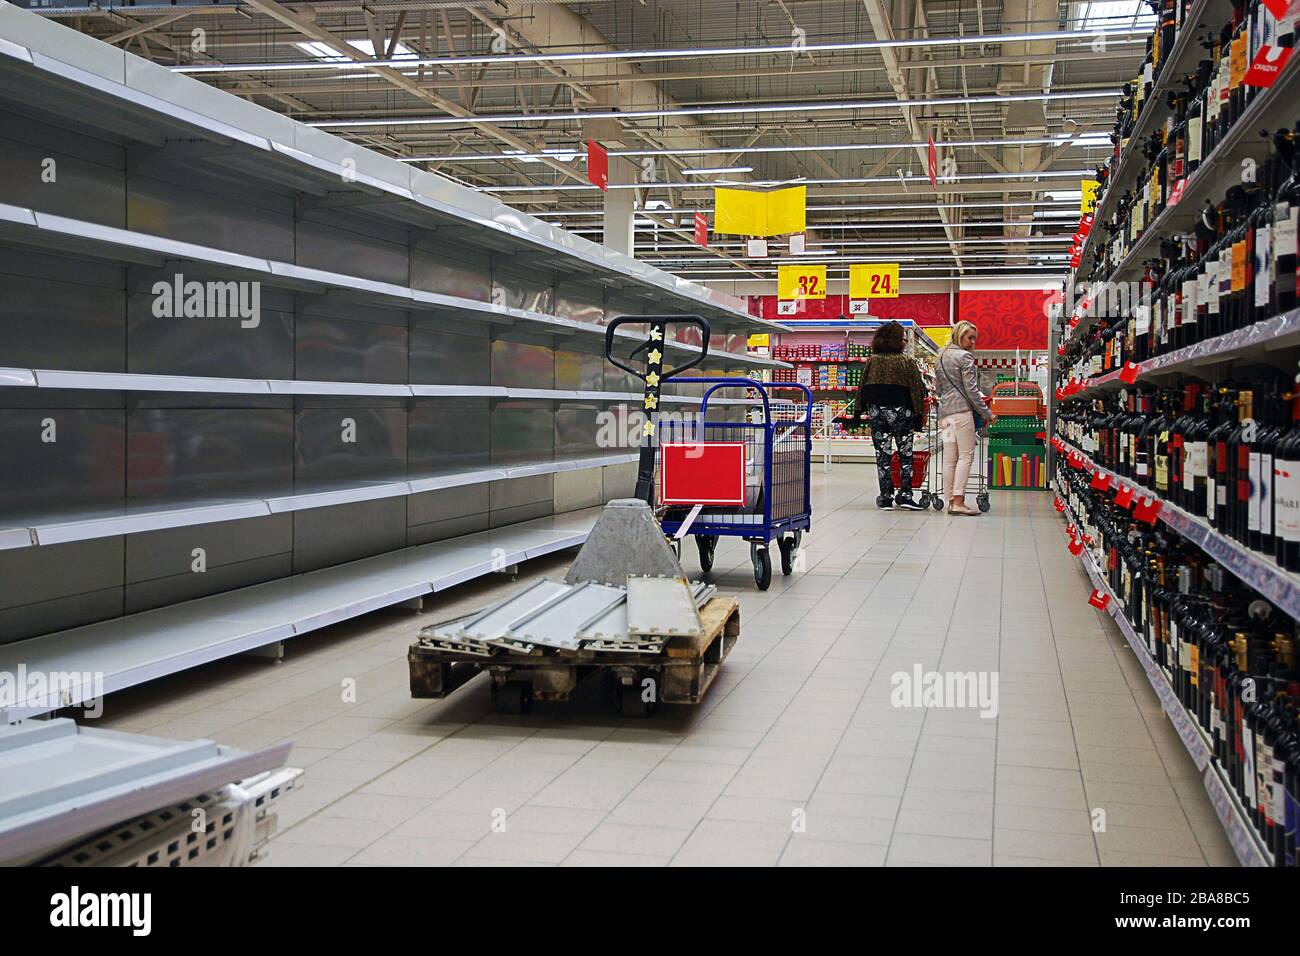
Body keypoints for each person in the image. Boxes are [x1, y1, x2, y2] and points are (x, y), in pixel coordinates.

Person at [853, 320, 928, 510]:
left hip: (878, 412)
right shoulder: (907, 361)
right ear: (898, 340)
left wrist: (857, 411)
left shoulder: (873, 360)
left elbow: (862, 387)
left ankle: (886, 497)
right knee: (906, 454)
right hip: (903, 412)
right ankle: (905, 495)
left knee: (883, 455)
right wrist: (919, 415)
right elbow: (917, 390)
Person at [935, 320, 996, 516]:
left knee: (949, 458)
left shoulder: (941, 357)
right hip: (961, 414)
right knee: (966, 456)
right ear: (959, 335)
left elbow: (938, 389)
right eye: (970, 338)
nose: (972, 343)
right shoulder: (965, 357)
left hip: (945, 415)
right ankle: (959, 500)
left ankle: (950, 500)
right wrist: (987, 413)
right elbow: (971, 391)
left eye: (974, 339)